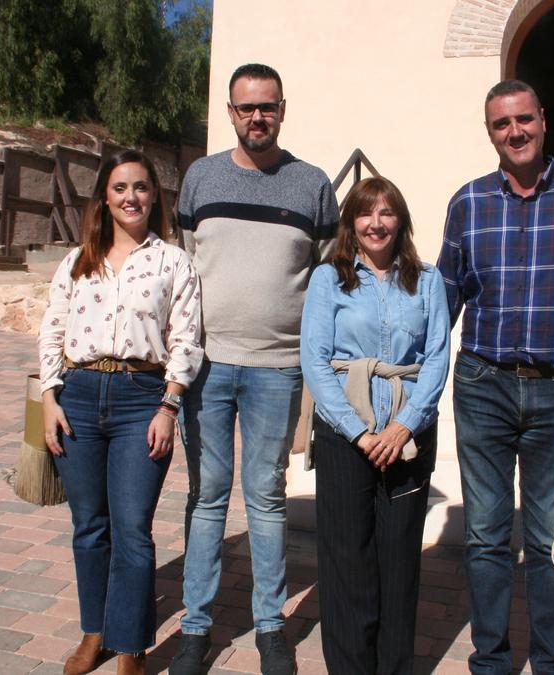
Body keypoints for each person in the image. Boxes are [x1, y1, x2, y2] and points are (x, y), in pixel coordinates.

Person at [437, 79, 554, 674]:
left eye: (523, 120)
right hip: (483, 384)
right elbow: (447, 296)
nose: (514, 132)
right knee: (485, 537)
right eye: (500, 124)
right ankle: (489, 660)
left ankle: (551, 661)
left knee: (545, 540)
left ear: (543, 119)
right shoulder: (468, 202)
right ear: (490, 132)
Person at [172, 62, 339, 675]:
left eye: (266, 106)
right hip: (208, 367)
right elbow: (185, 265)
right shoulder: (201, 178)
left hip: (277, 367)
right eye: (246, 108)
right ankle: (196, 627)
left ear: (283, 109)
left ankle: (270, 625)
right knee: (207, 496)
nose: (256, 117)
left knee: (266, 497)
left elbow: (327, 277)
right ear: (231, 112)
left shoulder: (312, 185)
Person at [38, 149, 204, 675]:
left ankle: (130, 646)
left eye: (140, 187)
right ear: (104, 199)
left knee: (133, 529)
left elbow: (187, 339)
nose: (130, 197)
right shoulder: (78, 260)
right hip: (79, 397)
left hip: (141, 400)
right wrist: (49, 398)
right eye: (119, 188)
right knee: (89, 526)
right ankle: (94, 633)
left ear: (155, 196)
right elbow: (52, 329)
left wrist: (169, 407)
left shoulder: (173, 261)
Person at [300, 177, 450, 674]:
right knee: (347, 563)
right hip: (348, 436)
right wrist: (359, 431)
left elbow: (436, 359)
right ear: (352, 223)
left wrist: (403, 426)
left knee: (398, 561)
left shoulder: (427, 280)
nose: (376, 223)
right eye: (366, 213)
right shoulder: (330, 279)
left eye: (387, 213)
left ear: (401, 221)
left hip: (407, 438)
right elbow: (316, 360)